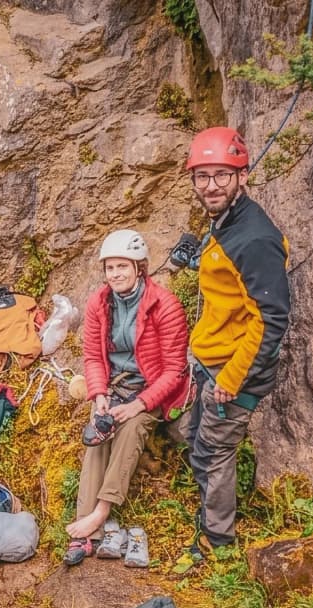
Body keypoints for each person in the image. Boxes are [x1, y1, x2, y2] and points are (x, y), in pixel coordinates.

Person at [176, 126, 290, 553]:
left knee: (213, 454)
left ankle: (216, 540)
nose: (211, 186)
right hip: (216, 359)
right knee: (196, 440)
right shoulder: (227, 223)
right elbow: (233, 289)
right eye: (202, 176)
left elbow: (270, 319)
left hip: (234, 369)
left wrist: (232, 379)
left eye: (222, 175)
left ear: (243, 176)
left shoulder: (255, 238)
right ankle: (210, 517)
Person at [64, 229, 190, 566]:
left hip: (150, 391)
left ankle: (100, 512)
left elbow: (175, 368)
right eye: (110, 267)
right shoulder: (98, 303)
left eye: (123, 266)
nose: (116, 274)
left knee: (131, 428)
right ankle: (87, 539)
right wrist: (99, 394)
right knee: (98, 433)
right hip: (115, 387)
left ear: (140, 268)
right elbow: (92, 356)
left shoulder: (165, 305)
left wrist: (140, 403)